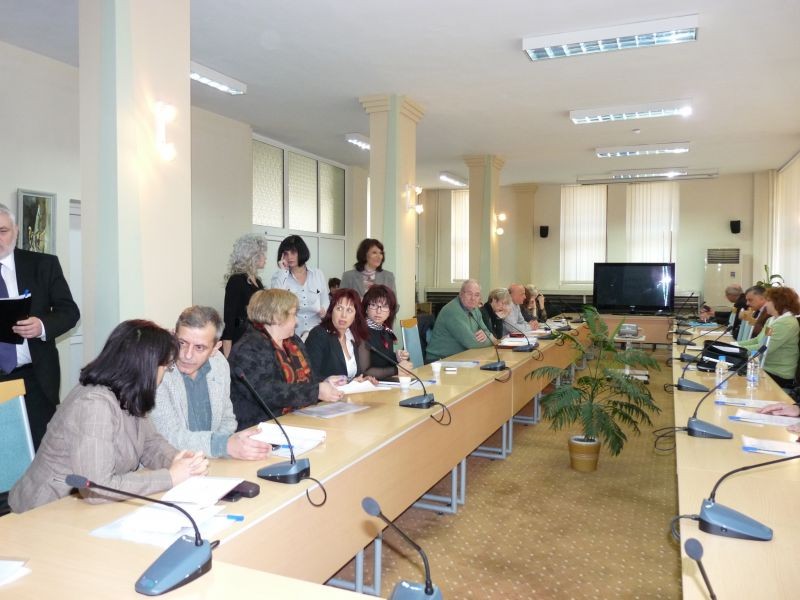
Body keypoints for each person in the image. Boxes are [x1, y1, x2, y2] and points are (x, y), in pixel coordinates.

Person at [9, 320, 208, 513]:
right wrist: (170, 477)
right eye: (165, 366)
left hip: (83, 508)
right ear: (145, 367)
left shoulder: (129, 393)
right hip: (45, 510)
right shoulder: (94, 404)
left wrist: (177, 460)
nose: (164, 373)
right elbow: (97, 488)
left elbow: (150, 444)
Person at [0, 203, 80, 450]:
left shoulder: (43, 265)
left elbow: (70, 312)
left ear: (16, 231)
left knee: (42, 452)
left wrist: (42, 326)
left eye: (2, 231)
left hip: (34, 378)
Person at [149, 306, 272, 460]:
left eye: (199, 347)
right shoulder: (158, 370)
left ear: (215, 348)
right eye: (182, 343)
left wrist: (222, 450)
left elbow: (227, 419)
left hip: (212, 460)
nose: (187, 355)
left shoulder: (219, 364)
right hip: (170, 463)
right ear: (174, 335)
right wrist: (223, 445)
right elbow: (168, 436)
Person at [229, 289, 345, 430]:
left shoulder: (293, 341)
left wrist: (325, 382)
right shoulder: (247, 348)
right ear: (277, 317)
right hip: (261, 428)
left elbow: (306, 379)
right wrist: (316, 391)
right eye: (293, 314)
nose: (297, 321)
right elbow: (268, 393)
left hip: (298, 420)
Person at [305, 288, 375, 381]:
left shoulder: (352, 337)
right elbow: (310, 376)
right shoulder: (319, 334)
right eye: (339, 308)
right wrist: (346, 383)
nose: (343, 315)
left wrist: (362, 380)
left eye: (349, 310)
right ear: (331, 311)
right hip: (325, 390)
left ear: (355, 316)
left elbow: (351, 375)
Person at [739, 286, 800, 389]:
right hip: (765, 368)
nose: (765, 304)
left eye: (768, 301)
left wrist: (736, 349)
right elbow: (758, 340)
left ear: (778, 302)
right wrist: (734, 345)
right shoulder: (772, 320)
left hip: (778, 374)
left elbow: (763, 348)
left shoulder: (786, 323)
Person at [269, 235, 329, 340]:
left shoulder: (317, 274)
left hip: (317, 331)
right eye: (286, 254)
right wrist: (283, 271)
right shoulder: (278, 277)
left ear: (301, 252)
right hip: (291, 334)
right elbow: (276, 303)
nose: (289, 257)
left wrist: (324, 310)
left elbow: (325, 300)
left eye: (293, 252)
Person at [426, 279, 494, 362]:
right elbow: (472, 343)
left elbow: (486, 331)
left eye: (477, 295)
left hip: (461, 357)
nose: (473, 298)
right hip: (439, 360)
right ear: (461, 294)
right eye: (469, 294)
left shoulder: (475, 309)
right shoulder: (453, 311)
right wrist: (492, 340)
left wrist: (486, 335)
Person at [222, 233, 267, 357]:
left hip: (257, 338)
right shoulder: (236, 280)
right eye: (262, 254)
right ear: (253, 256)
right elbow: (229, 319)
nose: (265, 257)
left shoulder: (257, 282)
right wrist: (228, 360)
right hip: (241, 340)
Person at [361, 284, 412, 380]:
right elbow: (365, 372)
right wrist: (397, 370)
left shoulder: (386, 331)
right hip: (369, 385)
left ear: (390, 311)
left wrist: (398, 357)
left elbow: (383, 360)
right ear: (366, 308)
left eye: (384, 306)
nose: (378, 311)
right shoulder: (361, 332)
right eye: (373, 305)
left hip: (386, 382)